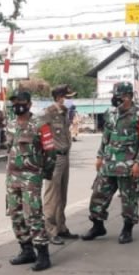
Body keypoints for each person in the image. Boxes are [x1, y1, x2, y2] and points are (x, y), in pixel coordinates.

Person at [81, 81, 139, 244]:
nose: (116, 99)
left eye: (119, 96)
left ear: (129, 96)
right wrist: (99, 156)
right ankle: (97, 226)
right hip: (108, 164)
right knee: (98, 196)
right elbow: (105, 137)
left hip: (128, 166)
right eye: (115, 96)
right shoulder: (111, 113)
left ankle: (127, 229)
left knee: (129, 200)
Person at [5, 90, 57, 271]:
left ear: (29, 104)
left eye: (20, 101)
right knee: (16, 215)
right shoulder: (10, 125)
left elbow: (51, 152)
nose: (16, 105)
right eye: (14, 102)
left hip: (31, 177)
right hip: (12, 178)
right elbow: (9, 149)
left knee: (33, 215)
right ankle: (26, 250)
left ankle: (43, 254)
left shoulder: (40, 125)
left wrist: (45, 173)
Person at [42, 84, 78, 245]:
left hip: (65, 156)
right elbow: (38, 132)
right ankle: (50, 230)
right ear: (58, 98)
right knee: (52, 196)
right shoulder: (48, 113)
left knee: (62, 195)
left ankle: (61, 227)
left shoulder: (64, 114)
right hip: (54, 158)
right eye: (67, 98)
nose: (70, 101)